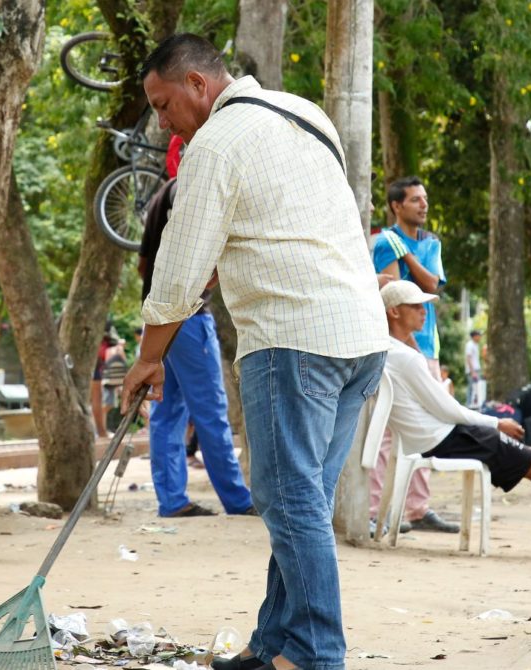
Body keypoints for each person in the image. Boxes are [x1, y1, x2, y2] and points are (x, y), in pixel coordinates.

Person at [122, 34, 387, 670]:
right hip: (360, 337)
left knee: (291, 504)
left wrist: (148, 356)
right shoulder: (305, 112)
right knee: (303, 507)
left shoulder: (213, 143)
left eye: (162, 105)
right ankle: (274, 645)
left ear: (197, 85)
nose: (161, 123)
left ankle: (320, 655)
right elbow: (292, 217)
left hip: (294, 340)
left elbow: (178, 273)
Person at [380, 281, 531, 536]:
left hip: (440, 437)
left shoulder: (391, 352)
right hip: (448, 438)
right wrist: (496, 422)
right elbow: (448, 410)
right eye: (416, 306)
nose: (424, 311)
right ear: (394, 312)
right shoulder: (407, 359)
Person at [138, 176, 253, 517]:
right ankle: (237, 500)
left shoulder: (161, 195)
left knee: (166, 411)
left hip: (157, 318)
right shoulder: (194, 188)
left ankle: (172, 499)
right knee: (210, 411)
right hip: (188, 317)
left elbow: (143, 264)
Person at [368, 177, 459, 535]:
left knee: (426, 426)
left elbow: (432, 285)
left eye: (425, 198)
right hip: (396, 346)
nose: (423, 205)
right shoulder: (384, 242)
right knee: (387, 427)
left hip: (427, 346)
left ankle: (418, 507)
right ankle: (376, 508)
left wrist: (405, 255)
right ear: (396, 205)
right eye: (415, 200)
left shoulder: (427, 243)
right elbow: (392, 294)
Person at [465, 329, 484, 408]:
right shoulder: (470, 345)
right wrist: (472, 372)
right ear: (475, 336)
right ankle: (468, 404)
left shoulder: (476, 345)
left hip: (477, 369)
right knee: (471, 388)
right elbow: (468, 358)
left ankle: (476, 404)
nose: (480, 337)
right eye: (479, 336)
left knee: (477, 388)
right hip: (472, 370)